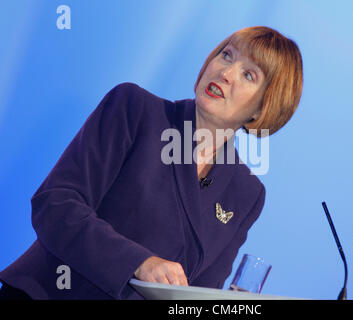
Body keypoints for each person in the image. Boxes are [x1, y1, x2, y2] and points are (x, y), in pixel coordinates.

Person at [0, 26, 303, 300]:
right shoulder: (135, 109)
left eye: (248, 74)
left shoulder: (246, 193)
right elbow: (55, 205)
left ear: (263, 107)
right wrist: (138, 263)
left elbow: (199, 294)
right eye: (226, 55)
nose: (226, 72)